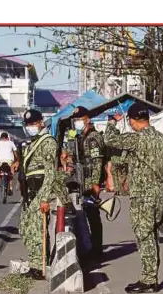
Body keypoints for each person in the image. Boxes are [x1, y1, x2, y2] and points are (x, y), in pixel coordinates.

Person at [104, 103, 163, 293]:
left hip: (142, 196)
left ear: (133, 120)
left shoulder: (136, 139)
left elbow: (109, 140)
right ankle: (150, 276)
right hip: (159, 195)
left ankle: (149, 280)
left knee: (144, 237)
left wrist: (112, 123)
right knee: (152, 236)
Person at [19, 109, 68, 280]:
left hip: (42, 189)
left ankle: (39, 266)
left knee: (38, 229)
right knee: (28, 228)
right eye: (28, 125)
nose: (30, 127)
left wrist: (45, 197)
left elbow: (50, 173)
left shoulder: (47, 142)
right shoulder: (34, 142)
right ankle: (34, 263)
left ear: (41, 122)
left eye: (33, 124)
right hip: (32, 191)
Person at [70, 106, 105, 258]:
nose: (77, 122)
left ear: (87, 120)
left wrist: (95, 183)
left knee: (93, 216)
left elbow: (97, 161)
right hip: (82, 180)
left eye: (80, 119)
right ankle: (88, 246)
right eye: (76, 120)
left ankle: (97, 249)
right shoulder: (80, 137)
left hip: (91, 181)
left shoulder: (93, 137)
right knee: (84, 215)